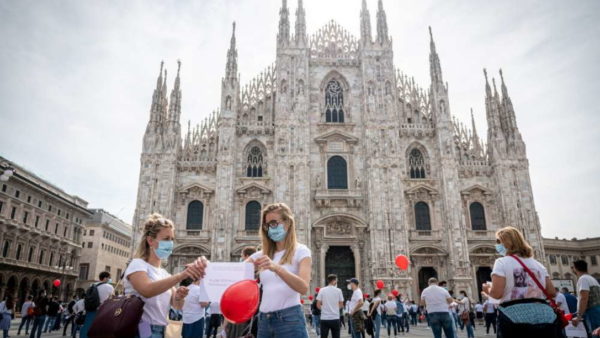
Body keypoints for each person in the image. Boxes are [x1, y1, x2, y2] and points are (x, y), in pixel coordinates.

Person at [125, 213, 206, 338]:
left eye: (172, 239)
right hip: (141, 329)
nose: (170, 243)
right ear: (150, 240)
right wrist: (180, 276)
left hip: (161, 330)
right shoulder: (137, 264)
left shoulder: (164, 273)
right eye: (166, 239)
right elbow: (147, 290)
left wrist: (179, 296)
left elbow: (177, 306)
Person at [247, 203, 312, 338]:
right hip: (264, 321)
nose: (270, 228)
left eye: (274, 223)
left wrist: (276, 268)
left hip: (290, 319)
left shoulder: (301, 251)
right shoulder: (261, 255)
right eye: (267, 225)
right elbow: (231, 273)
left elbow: (303, 288)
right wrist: (205, 266)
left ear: (287, 222)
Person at [482, 226, 556, 336]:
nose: (497, 245)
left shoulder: (502, 262)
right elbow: (551, 292)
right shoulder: (538, 265)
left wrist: (488, 290)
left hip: (514, 317)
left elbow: (497, 294)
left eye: (499, 242)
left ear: (506, 243)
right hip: (544, 316)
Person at [227, 246, 258, 338]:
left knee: (240, 332)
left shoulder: (244, 273)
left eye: (242, 256)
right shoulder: (258, 273)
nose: (242, 259)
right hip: (247, 311)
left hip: (243, 311)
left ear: (247, 256)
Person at [79, 271, 114, 338]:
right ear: (105, 278)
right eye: (109, 278)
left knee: (88, 326)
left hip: (91, 309)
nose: (110, 279)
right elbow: (112, 299)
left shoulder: (92, 285)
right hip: (103, 311)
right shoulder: (109, 287)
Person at [571, 259, 600, 333]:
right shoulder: (592, 279)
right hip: (597, 309)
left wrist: (579, 316)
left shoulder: (583, 279)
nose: (572, 269)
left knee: (594, 333)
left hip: (591, 312)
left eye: (573, 267)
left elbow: (584, 298)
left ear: (576, 268)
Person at [317, 274, 344, 338]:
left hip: (324, 318)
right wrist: (335, 309)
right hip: (335, 318)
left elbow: (318, 304)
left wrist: (324, 310)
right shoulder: (338, 290)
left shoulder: (322, 290)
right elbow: (341, 304)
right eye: (336, 280)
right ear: (333, 281)